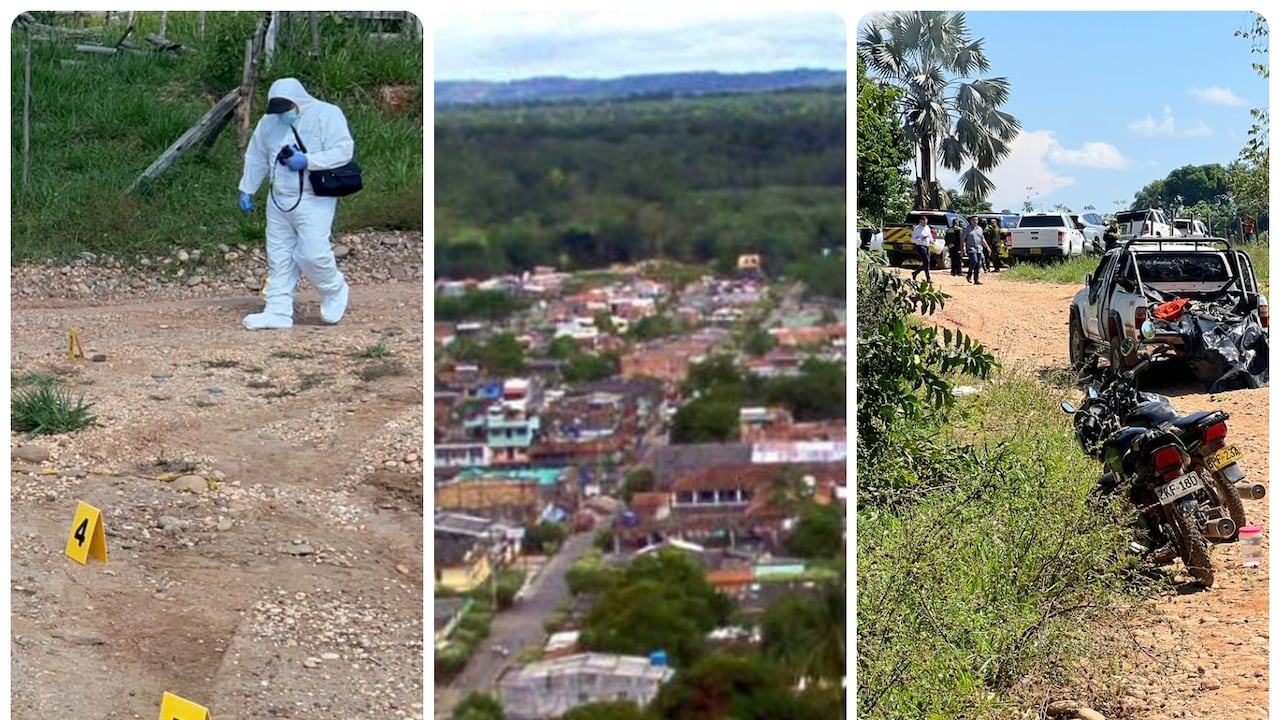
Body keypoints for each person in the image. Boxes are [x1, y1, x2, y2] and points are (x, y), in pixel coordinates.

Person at [237, 78, 354, 330]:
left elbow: (343, 151)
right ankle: (277, 310)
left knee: (311, 253)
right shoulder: (269, 122)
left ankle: (334, 290)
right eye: (277, 111)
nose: (282, 115)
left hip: (314, 199)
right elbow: (256, 155)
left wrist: (308, 160)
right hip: (278, 198)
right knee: (279, 257)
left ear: (298, 102)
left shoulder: (326, 114)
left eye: (286, 109)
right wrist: (247, 188)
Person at [964, 216, 992, 285]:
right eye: (974, 220)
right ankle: (969, 275)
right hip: (971, 248)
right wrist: (963, 249)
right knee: (974, 260)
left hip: (979, 249)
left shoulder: (980, 229)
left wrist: (987, 247)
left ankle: (976, 280)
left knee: (978, 264)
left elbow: (982, 239)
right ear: (971, 221)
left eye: (976, 220)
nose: (975, 221)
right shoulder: (967, 229)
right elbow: (962, 240)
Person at [910, 216, 934, 283]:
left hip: (927, 246)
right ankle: (928, 278)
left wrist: (932, 241)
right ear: (920, 222)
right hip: (920, 246)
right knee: (926, 261)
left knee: (927, 262)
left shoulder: (927, 227)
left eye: (926, 222)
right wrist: (920, 239)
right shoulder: (917, 229)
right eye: (923, 223)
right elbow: (912, 239)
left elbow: (930, 236)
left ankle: (915, 273)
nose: (925, 224)